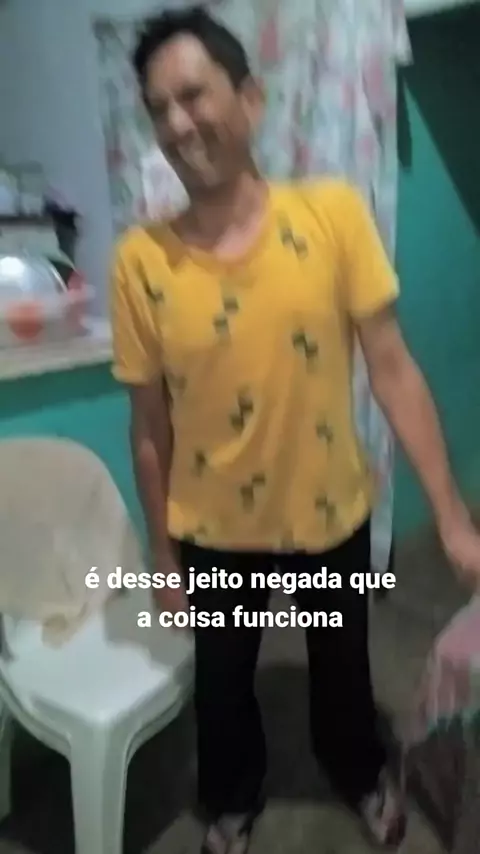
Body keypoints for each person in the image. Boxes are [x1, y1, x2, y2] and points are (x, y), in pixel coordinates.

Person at [110, 7, 480, 852]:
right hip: (212, 529)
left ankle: (358, 770)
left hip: (329, 510)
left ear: (250, 98)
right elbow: (149, 427)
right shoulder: (140, 263)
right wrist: (162, 555)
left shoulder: (332, 216)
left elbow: (393, 369)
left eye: (193, 96)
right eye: (158, 108)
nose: (177, 123)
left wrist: (453, 518)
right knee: (223, 683)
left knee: (343, 666)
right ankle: (231, 797)